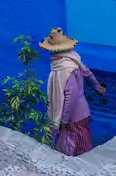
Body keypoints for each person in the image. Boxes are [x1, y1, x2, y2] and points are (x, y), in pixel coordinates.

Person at [40, 27, 105, 156]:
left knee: (80, 151)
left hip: (74, 118)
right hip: (81, 113)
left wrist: (63, 120)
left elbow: (71, 96)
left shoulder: (64, 68)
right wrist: (98, 88)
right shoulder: (74, 58)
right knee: (78, 147)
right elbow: (88, 74)